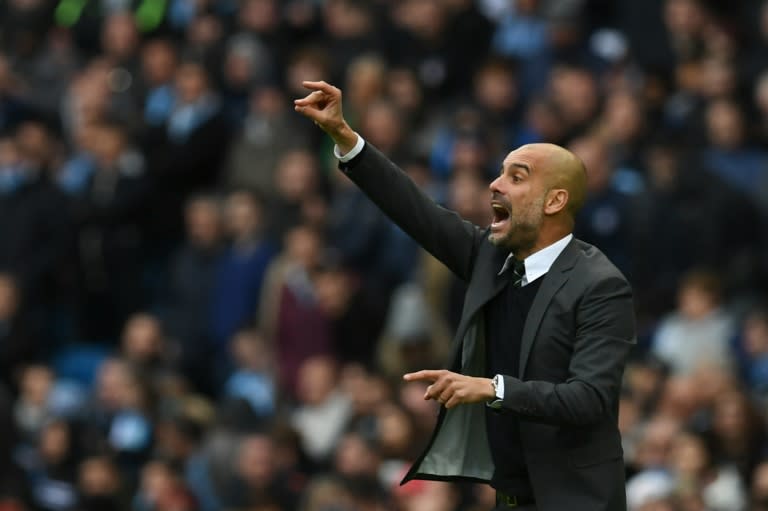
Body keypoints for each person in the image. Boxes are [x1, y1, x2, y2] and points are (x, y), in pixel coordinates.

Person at [295, 81, 636, 511]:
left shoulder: (600, 285)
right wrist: (346, 137)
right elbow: (413, 208)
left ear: (555, 201)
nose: (495, 184)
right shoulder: (488, 259)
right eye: (499, 172)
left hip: (577, 501)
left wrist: (492, 389)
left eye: (516, 177)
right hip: (510, 498)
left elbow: (590, 399)